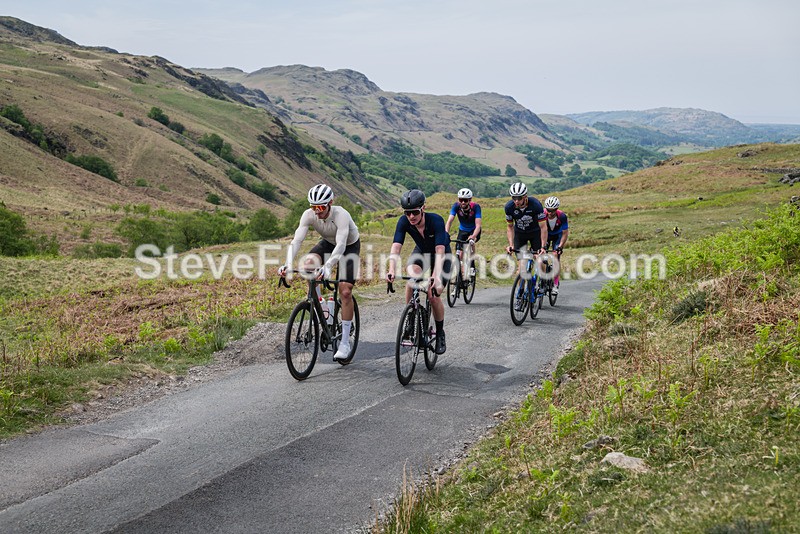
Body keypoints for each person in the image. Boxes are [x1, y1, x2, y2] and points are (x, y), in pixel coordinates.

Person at [278, 184, 360, 362]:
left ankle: (345, 343)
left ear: (330, 203)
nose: (317, 211)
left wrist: (329, 266)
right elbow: (297, 240)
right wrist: (287, 263)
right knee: (308, 265)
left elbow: (341, 245)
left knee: (345, 291)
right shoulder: (308, 215)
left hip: (348, 246)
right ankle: (320, 304)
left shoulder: (341, 215)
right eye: (313, 207)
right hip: (327, 243)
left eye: (321, 207)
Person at [387, 189, 452, 355]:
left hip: (442, 255)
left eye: (414, 212)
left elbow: (440, 252)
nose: (411, 217)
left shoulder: (436, 220)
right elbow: (396, 247)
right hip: (421, 252)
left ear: (423, 208)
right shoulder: (404, 222)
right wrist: (392, 269)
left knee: (433, 294)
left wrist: (435, 275)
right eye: (407, 213)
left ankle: (440, 333)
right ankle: (411, 315)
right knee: (411, 278)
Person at [504, 182, 548, 286]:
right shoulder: (509, 207)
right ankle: (520, 295)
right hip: (520, 235)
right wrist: (511, 245)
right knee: (521, 269)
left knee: (540, 260)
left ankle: (543, 281)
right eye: (513, 198)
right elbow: (510, 227)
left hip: (535, 233)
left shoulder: (536, 205)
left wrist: (543, 246)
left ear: (525, 197)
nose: (516, 201)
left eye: (519, 198)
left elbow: (543, 227)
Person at [445, 187, 482, 284]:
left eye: (465, 200)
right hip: (463, 231)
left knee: (470, 244)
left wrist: (473, 236)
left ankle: (472, 266)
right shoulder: (456, 206)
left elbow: (478, 225)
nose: (463, 202)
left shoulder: (476, 207)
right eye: (461, 200)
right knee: (459, 253)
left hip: (474, 230)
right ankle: (460, 275)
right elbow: (449, 221)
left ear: (470, 200)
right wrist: (445, 234)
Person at [543, 196, 569, 295]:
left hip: (557, 236)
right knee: (542, 255)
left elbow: (565, 233)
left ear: (556, 209)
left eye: (552, 210)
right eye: (548, 210)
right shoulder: (542, 214)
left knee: (555, 257)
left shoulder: (562, 216)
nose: (550, 212)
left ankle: (555, 284)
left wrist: (560, 246)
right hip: (546, 235)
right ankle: (542, 280)